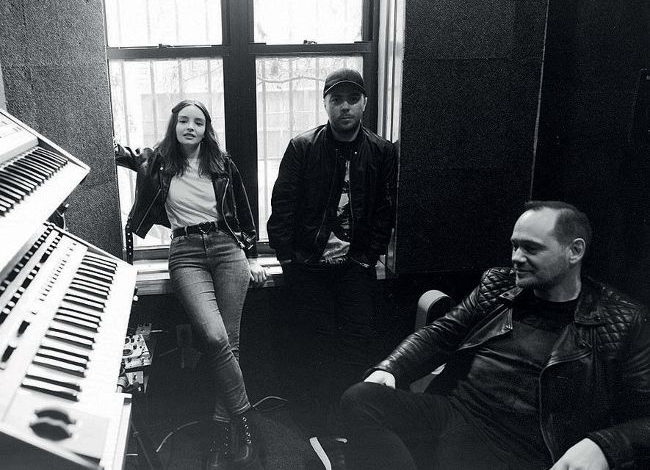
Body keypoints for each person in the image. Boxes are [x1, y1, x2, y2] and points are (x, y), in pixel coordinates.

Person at [342, 201, 650, 470]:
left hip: (524, 447)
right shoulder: (499, 285)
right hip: (457, 413)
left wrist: (604, 444)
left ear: (575, 251)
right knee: (361, 398)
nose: (516, 257)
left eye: (531, 248)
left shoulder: (622, 320)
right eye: (515, 246)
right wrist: (391, 368)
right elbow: (441, 333)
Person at [115, 99, 267, 470]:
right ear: (174, 125)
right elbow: (120, 152)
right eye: (184, 120)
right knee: (215, 337)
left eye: (198, 122)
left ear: (205, 129)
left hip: (227, 247)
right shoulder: (157, 161)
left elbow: (244, 210)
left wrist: (251, 256)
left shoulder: (222, 162)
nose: (190, 127)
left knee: (229, 342)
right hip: (185, 253)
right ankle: (246, 419)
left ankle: (221, 434)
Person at [267, 68, 397, 454]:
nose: (345, 107)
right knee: (315, 345)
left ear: (364, 103)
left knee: (357, 344)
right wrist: (288, 260)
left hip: (354, 267)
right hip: (309, 266)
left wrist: (367, 258)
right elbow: (283, 205)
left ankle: (347, 422)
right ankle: (315, 425)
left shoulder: (382, 151)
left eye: (352, 99)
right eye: (336, 99)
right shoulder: (303, 147)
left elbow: (385, 211)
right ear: (325, 103)